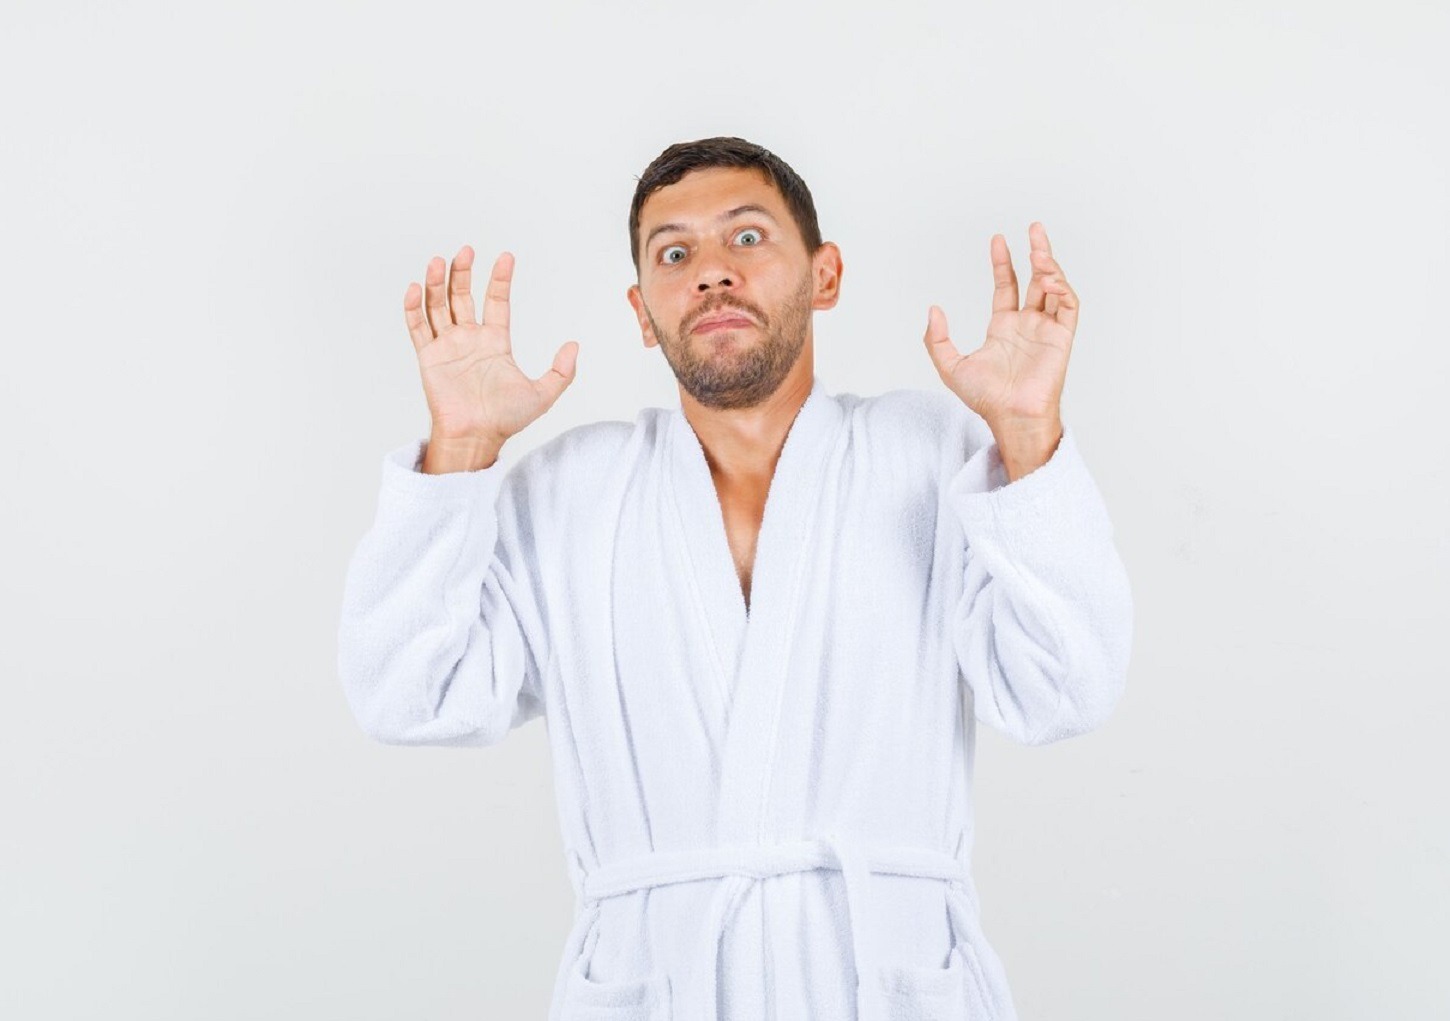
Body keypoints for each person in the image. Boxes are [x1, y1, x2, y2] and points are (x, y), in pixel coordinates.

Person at [337, 135, 1133, 1021]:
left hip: (887, 984)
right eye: (674, 254)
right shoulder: (570, 494)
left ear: (825, 276)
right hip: (656, 987)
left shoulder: (930, 457)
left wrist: (1026, 432)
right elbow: (407, 694)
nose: (711, 271)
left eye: (746, 237)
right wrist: (460, 447)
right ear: (644, 313)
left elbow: (1065, 690)